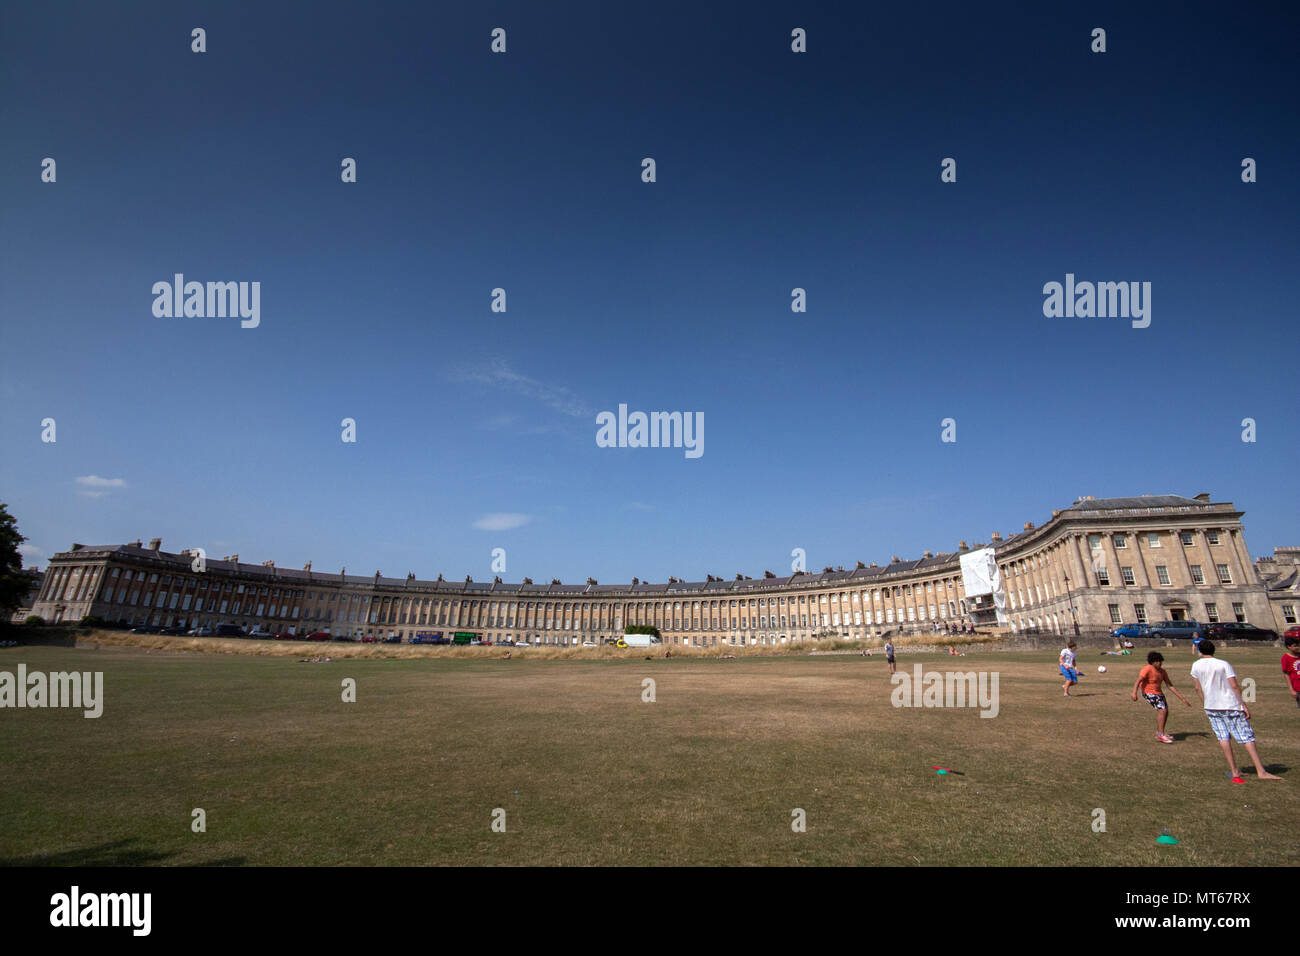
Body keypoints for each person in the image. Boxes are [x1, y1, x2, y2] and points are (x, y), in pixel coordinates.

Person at [1190, 640, 1281, 781]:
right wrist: (1243, 704)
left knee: (1223, 737)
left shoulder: (1196, 665)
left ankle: (1234, 771)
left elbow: (1197, 688)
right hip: (1229, 704)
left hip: (1212, 706)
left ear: (1200, 651)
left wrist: (1206, 703)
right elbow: (1234, 686)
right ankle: (1261, 771)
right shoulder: (1223, 664)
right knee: (1246, 737)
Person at [1131, 651, 1191, 743]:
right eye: (1157, 661)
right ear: (1152, 662)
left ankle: (1160, 733)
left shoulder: (1162, 672)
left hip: (1159, 693)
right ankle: (1160, 734)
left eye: (1160, 661)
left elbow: (1169, 685)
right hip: (1149, 693)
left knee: (1165, 712)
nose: (1160, 663)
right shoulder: (1147, 669)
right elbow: (1138, 681)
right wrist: (1134, 693)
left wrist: (1182, 698)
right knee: (1162, 711)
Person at [1282, 636, 1300, 708]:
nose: (1297, 647)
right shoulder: (1286, 658)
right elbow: (1286, 674)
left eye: (1298, 645)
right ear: (1288, 647)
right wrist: (1291, 690)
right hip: (1297, 687)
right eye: (1295, 646)